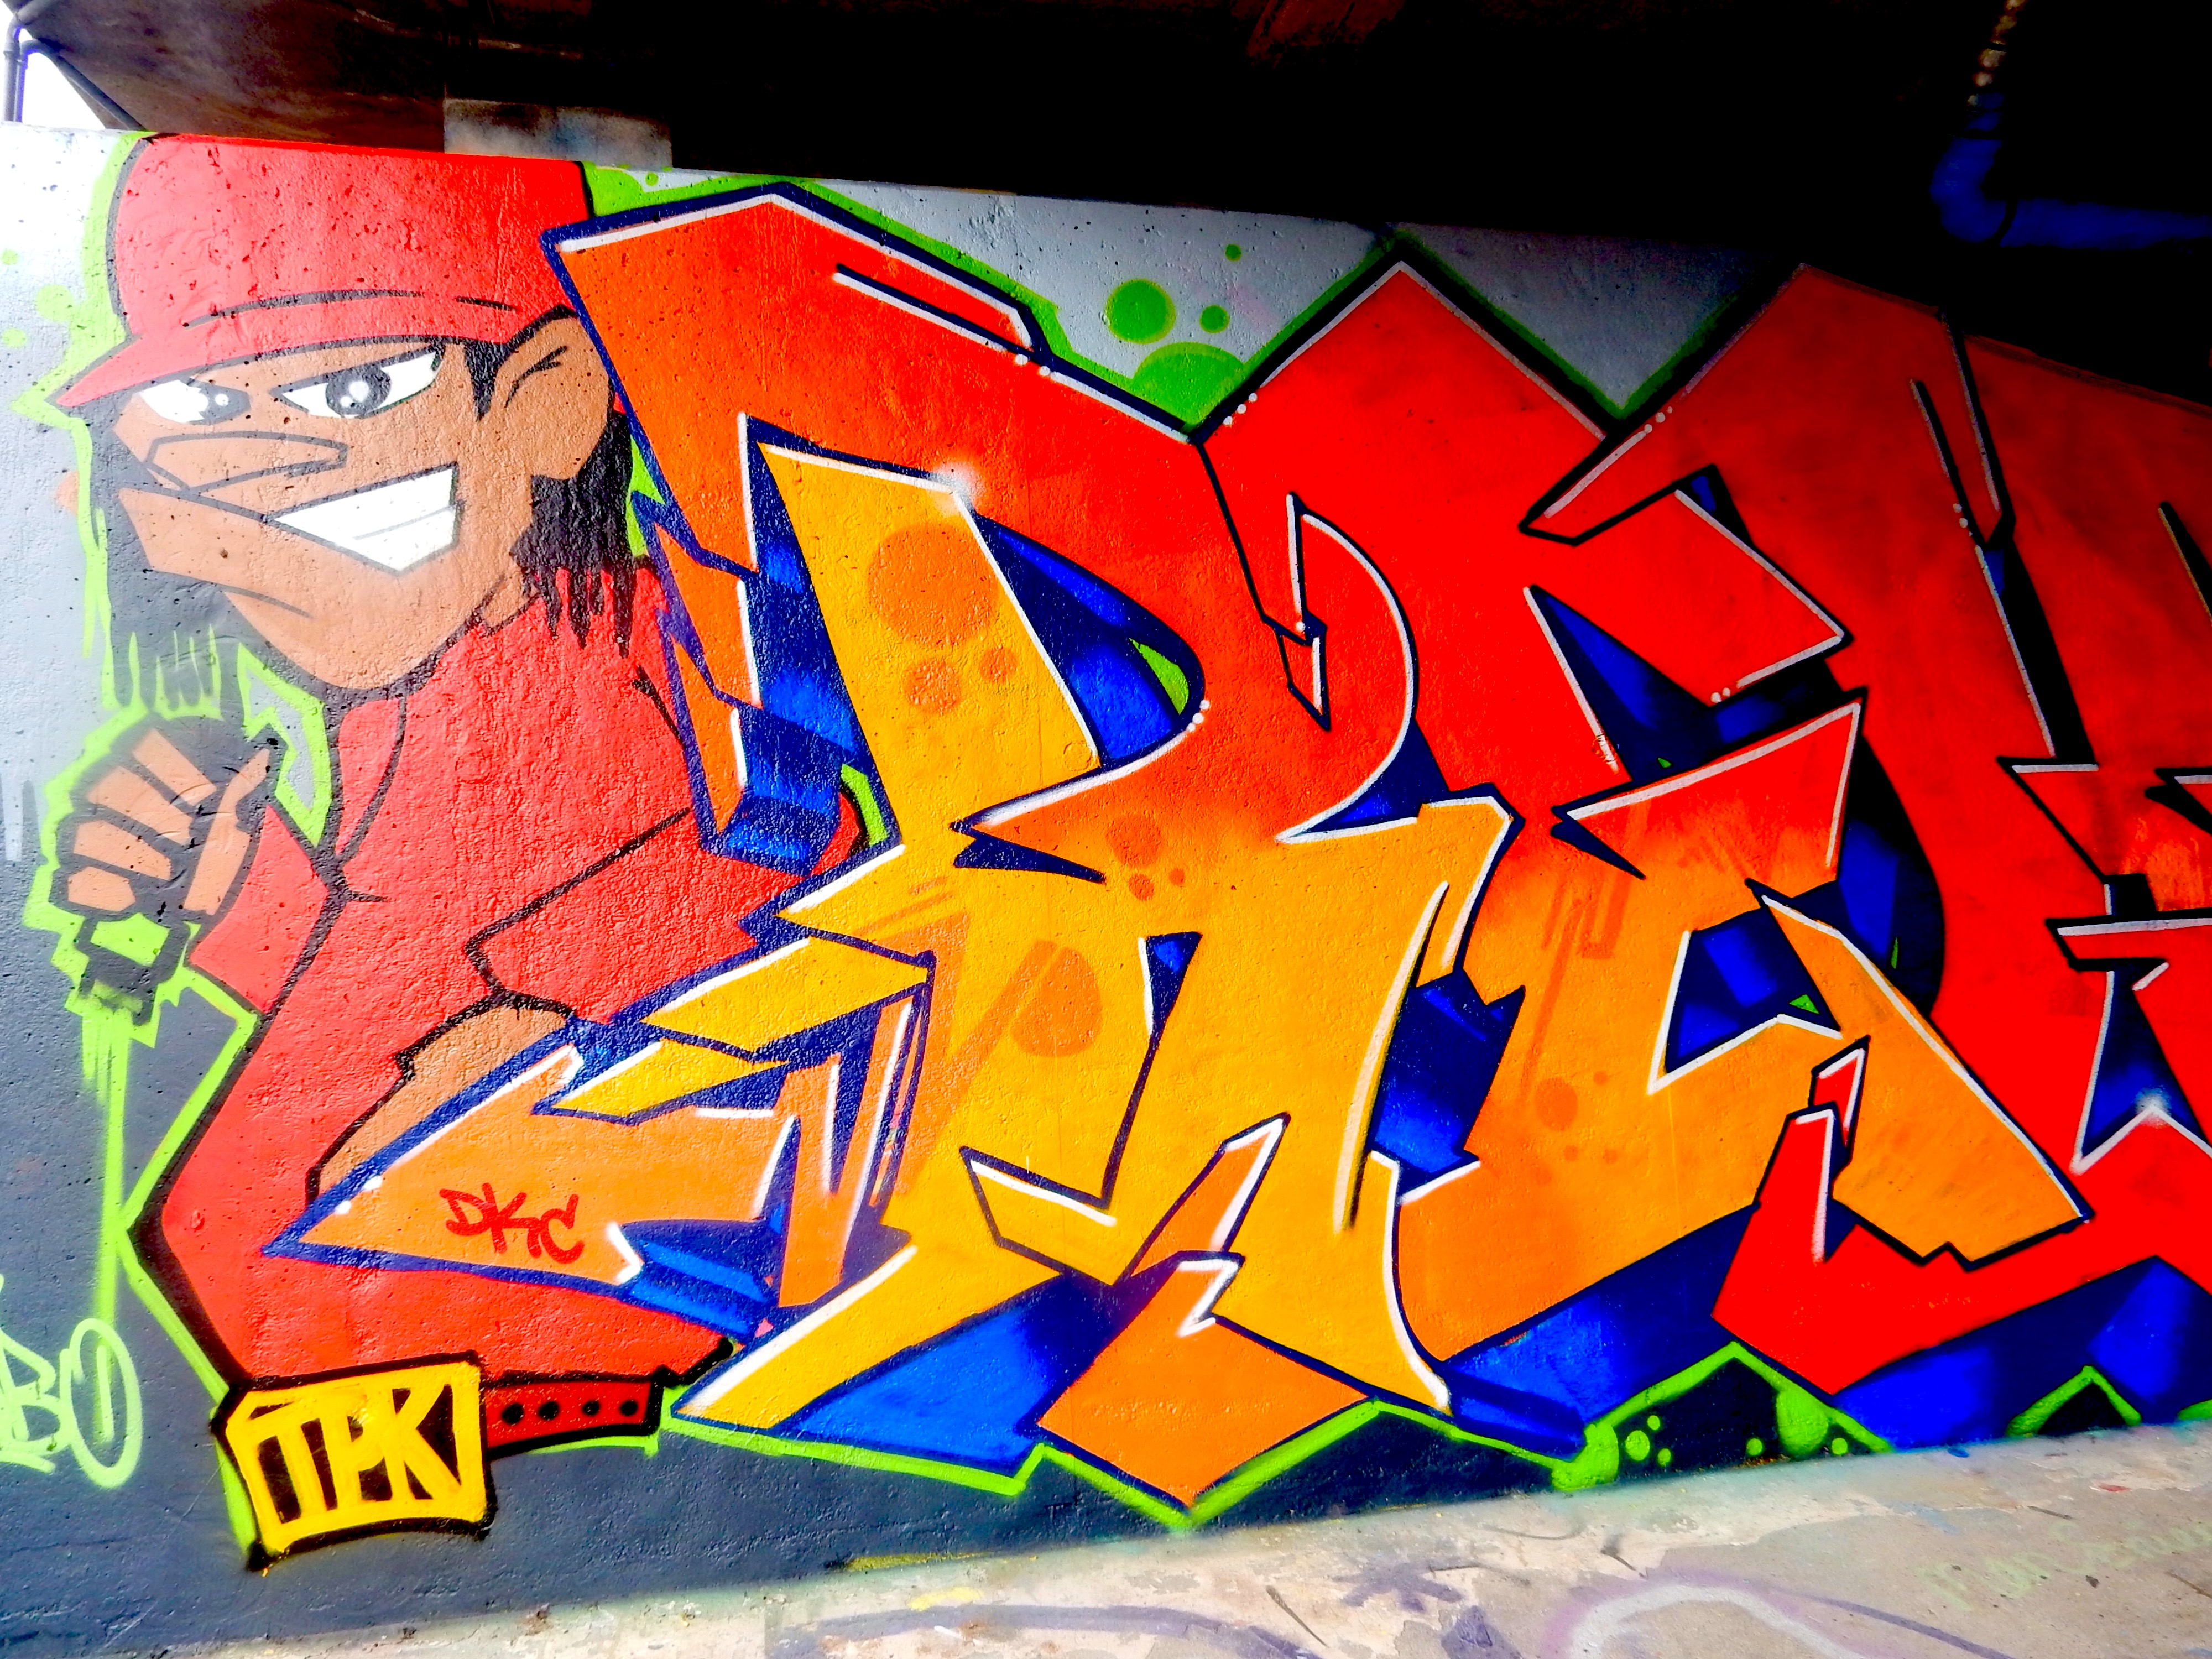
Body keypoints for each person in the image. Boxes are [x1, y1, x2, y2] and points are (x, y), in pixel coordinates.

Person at [46, 137, 821, 1427]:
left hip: (577, 1410)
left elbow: (806, 903)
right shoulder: (410, 703)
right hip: (415, 1440)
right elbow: (401, 1007)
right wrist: (256, 906)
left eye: (357, 389)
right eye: (200, 412)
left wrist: (569, 1033)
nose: (261, 472)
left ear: (550, 404)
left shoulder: (678, 677)